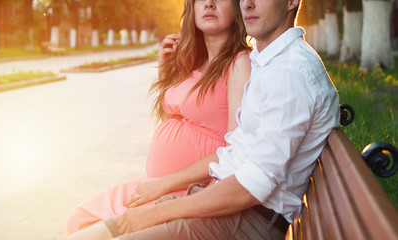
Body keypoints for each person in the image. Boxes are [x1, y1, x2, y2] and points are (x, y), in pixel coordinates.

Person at [66, 0, 340, 239]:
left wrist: (159, 209)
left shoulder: (289, 73)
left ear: (292, 1)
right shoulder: (268, 63)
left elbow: (252, 187)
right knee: (94, 231)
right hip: (218, 204)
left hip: (243, 221)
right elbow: (236, 152)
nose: (247, 3)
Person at [65, 0, 251, 236]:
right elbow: (173, 124)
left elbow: (235, 151)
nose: (210, 4)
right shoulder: (195, 62)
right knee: (81, 218)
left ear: (237, 7)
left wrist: (163, 184)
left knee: (90, 232)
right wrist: (166, 72)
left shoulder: (240, 63)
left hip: (192, 191)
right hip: (159, 184)